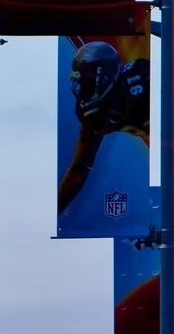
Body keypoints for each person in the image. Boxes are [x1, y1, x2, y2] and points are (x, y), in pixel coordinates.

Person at [58, 40, 150, 214]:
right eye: (81, 84)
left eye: (88, 83)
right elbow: (78, 170)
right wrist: (54, 211)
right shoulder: (93, 113)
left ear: (106, 77)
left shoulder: (145, 81)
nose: (83, 91)